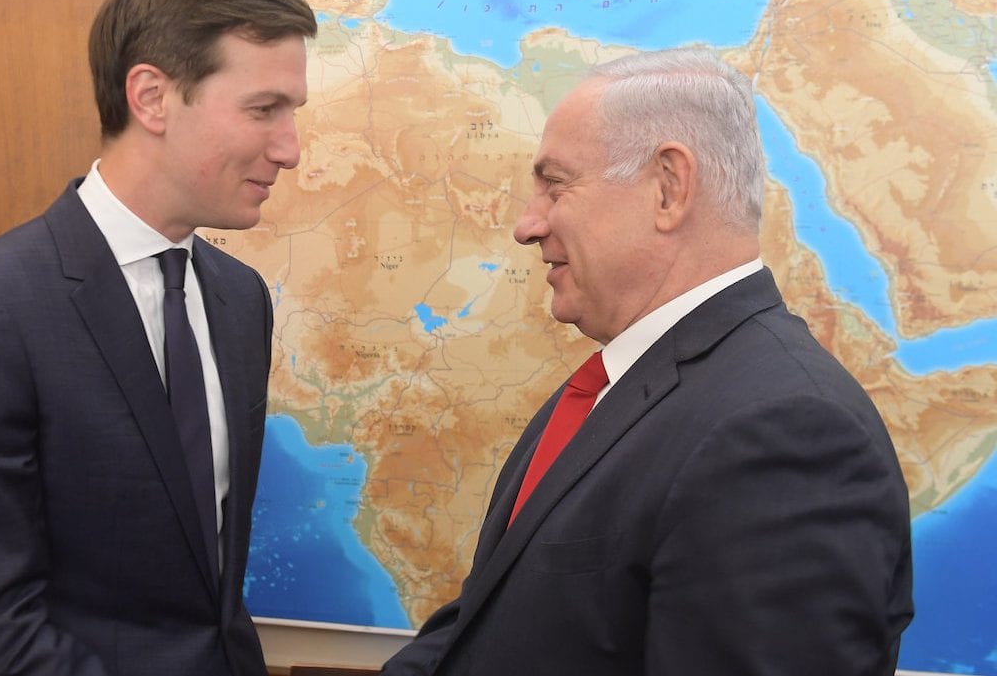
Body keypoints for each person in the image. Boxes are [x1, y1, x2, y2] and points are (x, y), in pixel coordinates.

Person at [382, 47, 913, 675]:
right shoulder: (623, 386)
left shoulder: (787, 432)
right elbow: (490, 621)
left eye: (555, 185)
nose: (527, 225)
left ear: (669, 187)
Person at [0, 0, 317, 676]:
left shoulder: (239, 299)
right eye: (263, 110)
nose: (289, 147)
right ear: (152, 97)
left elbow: (206, 589)